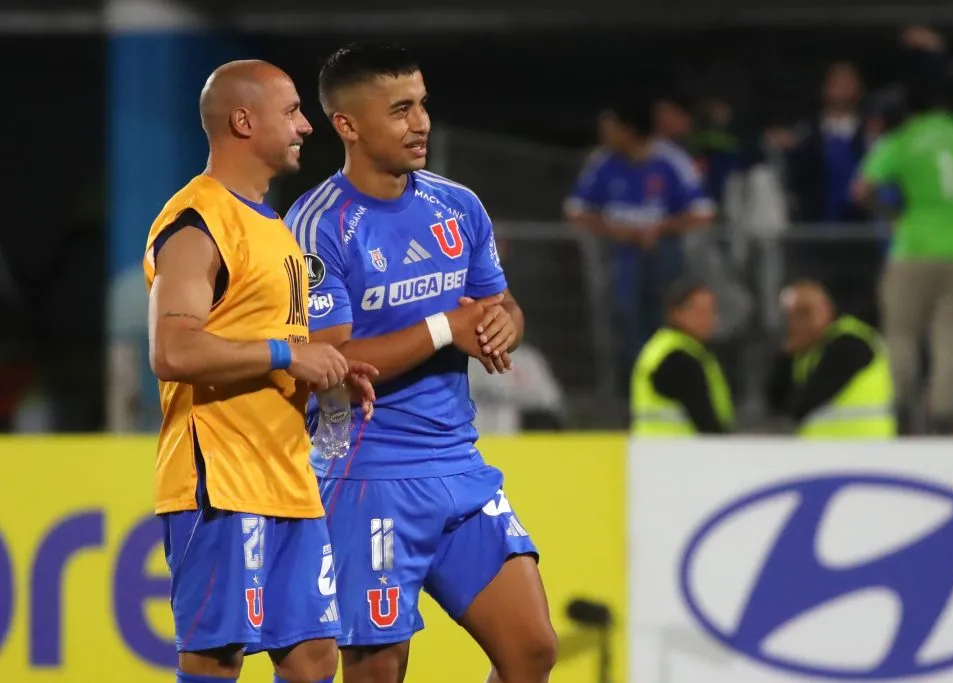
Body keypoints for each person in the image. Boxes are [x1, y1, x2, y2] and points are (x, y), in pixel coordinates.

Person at [284, 43, 557, 683]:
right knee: (380, 669)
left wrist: (499, 325)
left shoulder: (457, 206)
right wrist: (443, 328)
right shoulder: (319, 225)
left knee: (533, 651)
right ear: (347, 125)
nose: (422, 122)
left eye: (423, 104)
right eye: (401, 109)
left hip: (459, 465)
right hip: (365, 473)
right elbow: (333, 360)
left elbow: (502, 306)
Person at [143, 60, 377, 683]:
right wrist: (285, 355)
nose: (306, 125)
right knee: (218, 661)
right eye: (293, 110)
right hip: (221, 479)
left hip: (287, 477)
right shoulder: (196, 222)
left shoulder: (274, 227)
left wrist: (323, 372)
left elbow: (269, 337)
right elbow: (173, 350)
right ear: (243, 120)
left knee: (314, 659)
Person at [852, 26, 953, 433]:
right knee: (952, 335)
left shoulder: (901, 141)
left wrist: (890, 212)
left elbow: (861, 189)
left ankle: (902, 411)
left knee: (902, 334)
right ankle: (944, 415)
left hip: (912, 247)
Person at [564, 101, 716, 385]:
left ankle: (675, 381)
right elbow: (575, 211)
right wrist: (621, 232)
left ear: (628, 129)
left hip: (666, 262)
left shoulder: (671, 160)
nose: (604, 133)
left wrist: (660, 229)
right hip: (618, 263)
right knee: (623, 325)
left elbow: (703, 212)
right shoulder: (603, 162)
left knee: (667, 320)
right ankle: (627, 387)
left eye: (610, 127)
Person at [766, 280, 895, 438]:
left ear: (826, 307)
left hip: (863, 448)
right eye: (793, 316)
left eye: (805, 313)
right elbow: (777, 404)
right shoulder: (807, 352)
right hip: (823, 451)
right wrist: (786, 356)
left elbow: (804, 403)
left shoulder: (851, 343)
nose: (798, 322)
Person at [630, 280, 734, 435]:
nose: (709, 319)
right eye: (700, 312)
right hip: (679, 451)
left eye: (711, 311)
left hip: (652, 450)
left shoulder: (662, 347)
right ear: (677, 313)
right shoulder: (679, 358)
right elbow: (705, 420)